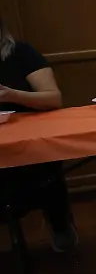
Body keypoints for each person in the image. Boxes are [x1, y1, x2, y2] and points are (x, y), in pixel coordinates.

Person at [0, 20, 76, 252]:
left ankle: (60, 225)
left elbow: (53, 98)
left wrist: (12, 95)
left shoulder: (21, 53)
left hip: (32, 143)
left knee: (46, 169)